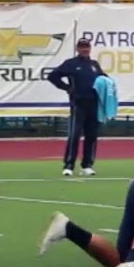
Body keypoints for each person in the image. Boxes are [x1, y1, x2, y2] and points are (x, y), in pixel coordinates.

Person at [49, 38, 106, 177]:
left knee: (91, 135)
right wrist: (67, 88)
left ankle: (87, 164)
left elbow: (103, 78)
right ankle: (69, 164)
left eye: (87, 47)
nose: (85, 49)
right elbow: (53, 76)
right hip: (78, 104)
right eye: (82, 47)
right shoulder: (71, 64)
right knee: (74, 135)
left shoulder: (94, 65)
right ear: (77, 49)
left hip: (94, 104)